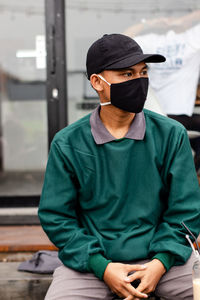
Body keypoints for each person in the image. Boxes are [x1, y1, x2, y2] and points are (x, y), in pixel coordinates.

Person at [38, 34, 200, 300]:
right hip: (92, 266)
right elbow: (57, 217)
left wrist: (160, 262)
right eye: (126, 74)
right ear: (97, 82)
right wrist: (102, 267)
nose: (138, 81)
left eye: (143, 72)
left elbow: (186, 211)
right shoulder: (68, 143)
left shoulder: (171, 135)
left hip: (165, 262)